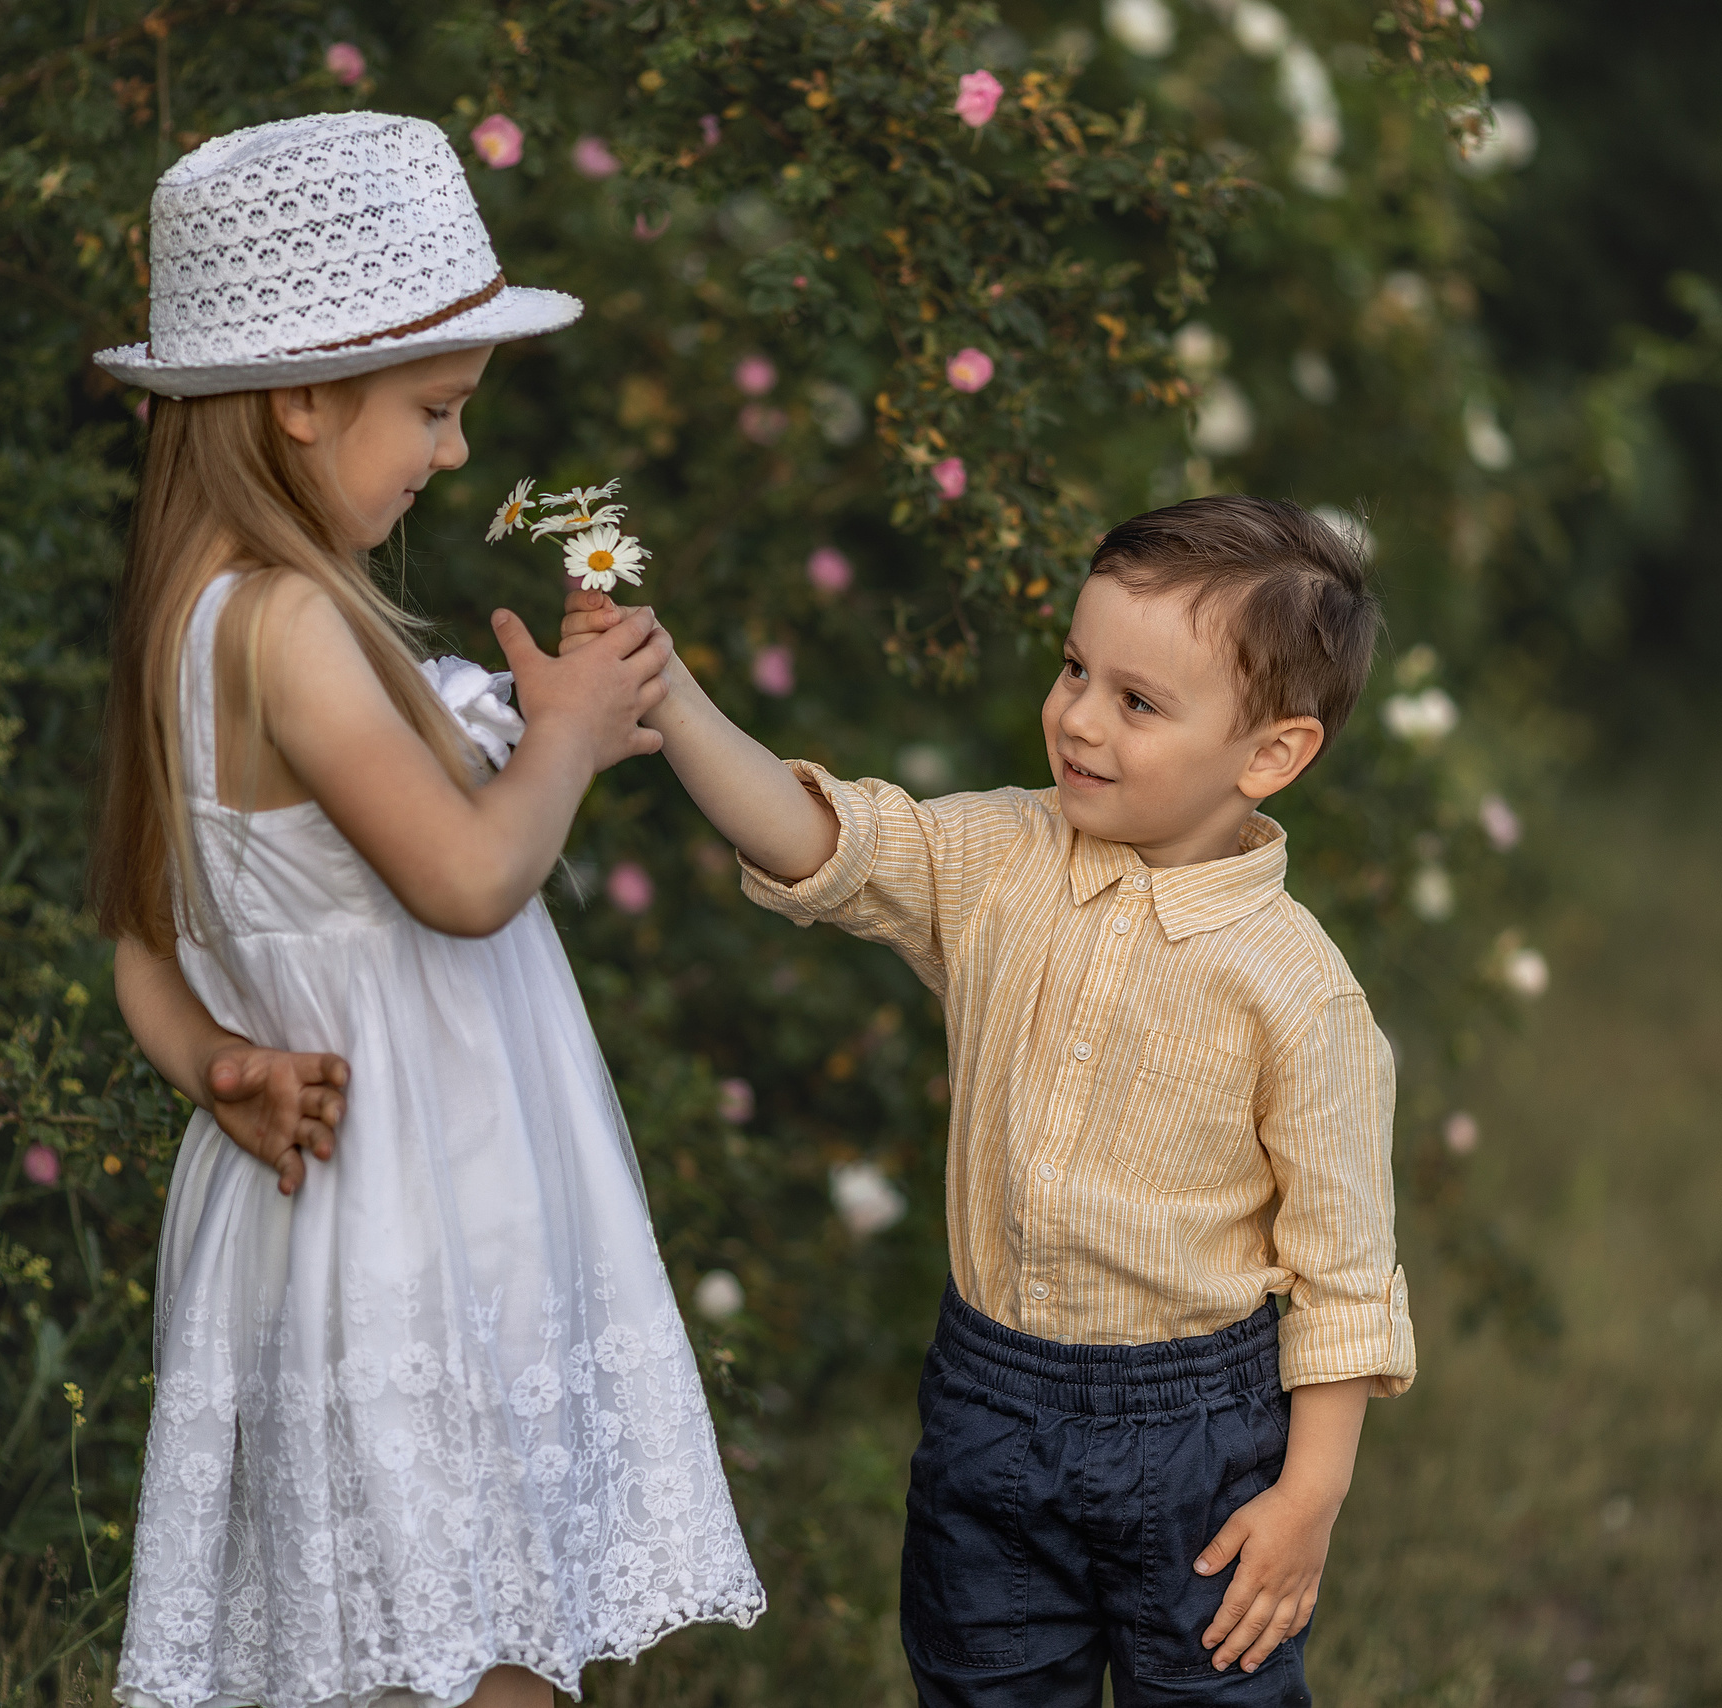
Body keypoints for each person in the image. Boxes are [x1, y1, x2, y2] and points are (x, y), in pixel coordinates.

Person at [87, 112, 764, 1708]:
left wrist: (218, 1070)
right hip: (419, 1217)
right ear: (304, 400)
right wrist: (575, 741)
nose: (459, 453)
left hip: (334, 1204)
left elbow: (136, 945)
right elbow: (467, 883)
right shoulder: (287, 630)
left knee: (382, 1642)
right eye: (438, 411)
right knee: (480, 1643)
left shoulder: (193, 621)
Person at [563, 494, 1415, 1706]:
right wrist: (671, 695)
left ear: (1269, 753)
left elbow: (1341, 1272)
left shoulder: (1294, 987)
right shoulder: (1000, 860)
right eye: (1075, 668)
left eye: (1137, 702)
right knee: (983, 1685)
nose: (1075, 717)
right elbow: (825, 843)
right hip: (991, 1407)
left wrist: (1307, 1495)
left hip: (1198, 1443)